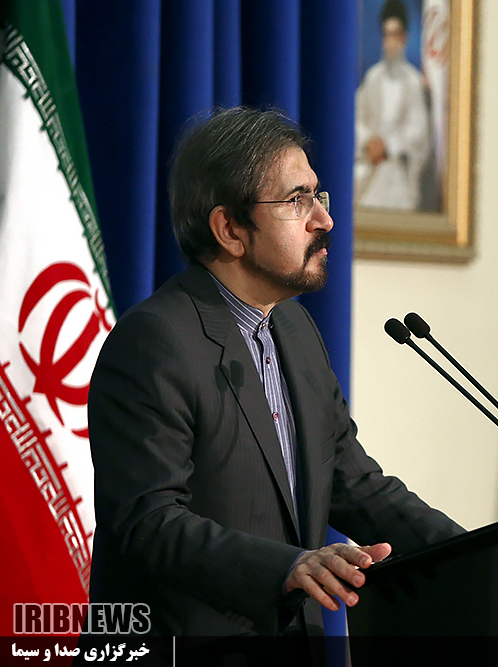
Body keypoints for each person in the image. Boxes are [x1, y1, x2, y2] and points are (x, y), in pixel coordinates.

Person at [87, 106, 464, 639]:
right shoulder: (155, 342)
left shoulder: (295, 330)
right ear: (229, 229)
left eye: (318, 195)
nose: (324, 220)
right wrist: (286, 568)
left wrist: (481, 553)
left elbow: (355, 484)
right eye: (296, 200)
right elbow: (147, 522)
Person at [354, 0, 431, 210]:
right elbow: (357, 118)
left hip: (398, 176)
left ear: (404, 37)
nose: (390, 42)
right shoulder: (373, 77)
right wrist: (369, 141)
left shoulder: (413, 82)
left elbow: (418, 130)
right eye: (386, 35)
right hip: (370, 172)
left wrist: (388, 146)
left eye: (395, 34)